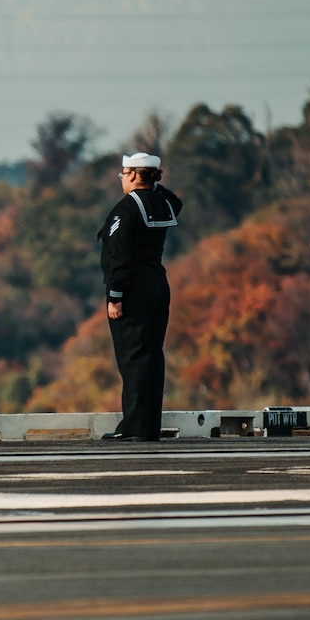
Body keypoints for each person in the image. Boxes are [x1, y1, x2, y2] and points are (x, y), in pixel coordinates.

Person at [100, 152, 182, 443]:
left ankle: (135, 425)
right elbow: (176, 201)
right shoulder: (162, 203)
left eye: (124, 173)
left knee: (133, 356)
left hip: (133, 288)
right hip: (158, 285)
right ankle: (147, 424)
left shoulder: (126, 208)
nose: (121, 178)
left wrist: (115, 295)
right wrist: (153, 181)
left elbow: (118, 256)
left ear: (134, 175)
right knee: (152, 356)